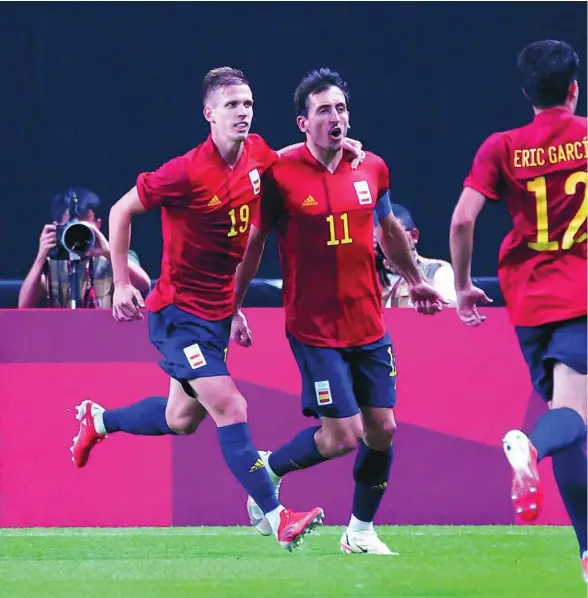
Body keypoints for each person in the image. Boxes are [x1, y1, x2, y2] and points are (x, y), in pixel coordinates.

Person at [70, 66, 327, 551]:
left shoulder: (256, 155)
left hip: (213, 316)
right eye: (232, 105)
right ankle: (276, 519)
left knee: (181, 419)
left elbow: (288, 159)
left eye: (248, 104)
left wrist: (234, 308)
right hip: (176, 317)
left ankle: (98, 420)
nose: (243, 113)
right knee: (231, 405)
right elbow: (122, 210)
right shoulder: (185, 171)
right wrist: (122, 283)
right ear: (209, 114)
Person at [231, 68, 445, 554]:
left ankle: (360, 532)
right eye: (323, 110)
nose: (336, 118)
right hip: (314, 329)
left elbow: (388, 229)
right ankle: (269, 468)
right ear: (303, 122)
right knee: (343, 435)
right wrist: (234, 305)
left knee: (383, 429)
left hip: (368, 324)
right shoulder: (279, 174)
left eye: (341, 108)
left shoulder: (372, 168)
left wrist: (415, 280)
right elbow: (254, 244)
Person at [449, 40, 587, 580]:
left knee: (571, 421)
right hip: (580, 295)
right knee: (570, 418)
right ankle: (527, 444)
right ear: (574, 89)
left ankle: (584, 550)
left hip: (528, 302)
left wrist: (460, 285)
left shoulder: (501, 146)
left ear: (527, 92)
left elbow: (462, 220)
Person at [18, 187, 151, 308]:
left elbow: (144, 285)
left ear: (98, 225)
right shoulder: (51, 263)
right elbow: (24, 306)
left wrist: (109, 253)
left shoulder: (117, 257)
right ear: (57, 227)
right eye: (70, 229)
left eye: (82, 228)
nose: (77, 235)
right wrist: (41, 257)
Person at [377, 203, 457, 308]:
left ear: (414, 236)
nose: (383, 243)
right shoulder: (368, 276)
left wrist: (430, 300)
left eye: (391, 236)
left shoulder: (437, 269)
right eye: (378, 237)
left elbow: (450, 310)